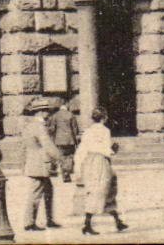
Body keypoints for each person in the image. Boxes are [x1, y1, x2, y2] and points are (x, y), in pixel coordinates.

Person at [73, 106, 129, 235]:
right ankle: (87, 224)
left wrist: (78, 166)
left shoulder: (87, 131)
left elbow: (82, 149)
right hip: (101, 162)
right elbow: (106, 149)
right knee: (104, 190)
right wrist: (114, 149)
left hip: (89, 161)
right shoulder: (105, 131)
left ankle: (118, 221)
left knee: (100, 190)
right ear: (104, 118)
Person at [21, 97, 65, 231]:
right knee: (36, 193)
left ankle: (49, 219)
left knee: (48, 191)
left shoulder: (29, 126)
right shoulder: (39, 127)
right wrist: (60, 157)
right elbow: (48, 146)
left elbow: (23, 147)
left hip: (34, 162)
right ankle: (29, 222)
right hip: (40, 164)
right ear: (40, 112)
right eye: (46, 111)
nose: (48, 114)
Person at [47, 98, 80, 184]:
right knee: (69, 156)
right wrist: (76, 141)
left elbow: (52, 129)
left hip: (59, 140)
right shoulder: (71, 115)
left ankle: (64, 173)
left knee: (61, 157)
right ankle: (67, 172)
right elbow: (75, 130)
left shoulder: (55, 115)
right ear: (67, 105)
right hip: (70, 140)